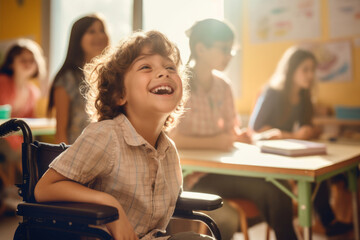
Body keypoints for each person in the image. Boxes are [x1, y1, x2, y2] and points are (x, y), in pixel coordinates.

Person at [35, 30, 216, 240]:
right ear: (119, 94)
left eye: (170, 67)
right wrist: (110, 206)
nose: (164, 73)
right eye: (146, 67)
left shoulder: (169, 151)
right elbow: (45, 188)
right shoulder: (106, 135)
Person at [168, 18, 297, 240]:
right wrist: (218, 141)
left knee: (277, 188)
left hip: (226, 168)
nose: (229, 55)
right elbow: (173, 137)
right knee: (269, 191)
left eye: (231, 50)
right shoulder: (180, 85)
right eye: (224, 49)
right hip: (195, 175)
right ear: (201, 48)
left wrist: (243, 137)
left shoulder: (223, 86)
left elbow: (231, 131)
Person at [249, 46, 353, 237]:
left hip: (292, 152)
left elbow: (304, 126)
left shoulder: (304, 95)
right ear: (291, 70)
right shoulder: (272, 92)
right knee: (313, 173)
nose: (310, 75)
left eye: (313, 70)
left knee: (323, 170)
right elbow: (256, 129)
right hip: (269, 155)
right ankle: (325, 220)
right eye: (305, 69)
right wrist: (295, 135)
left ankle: (326, 220)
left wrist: (310, 131)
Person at [0, 38, 46, 214]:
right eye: (22, 60)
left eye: (31, 60)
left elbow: (29, 122)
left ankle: (23, 191)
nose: (28, 64)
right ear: (12, 62)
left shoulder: (32, 91)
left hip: (13, 139)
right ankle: (33, 191)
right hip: (3, 137)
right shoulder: (2, 82)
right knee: (24, 151)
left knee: (31, 148)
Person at [47, 13, 110, 144]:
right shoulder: (67, 79)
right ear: (78, 39)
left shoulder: (112, 76)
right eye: (91, 31)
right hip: (78, 154)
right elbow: (61, 132)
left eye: (102, 30)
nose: (99, 36)